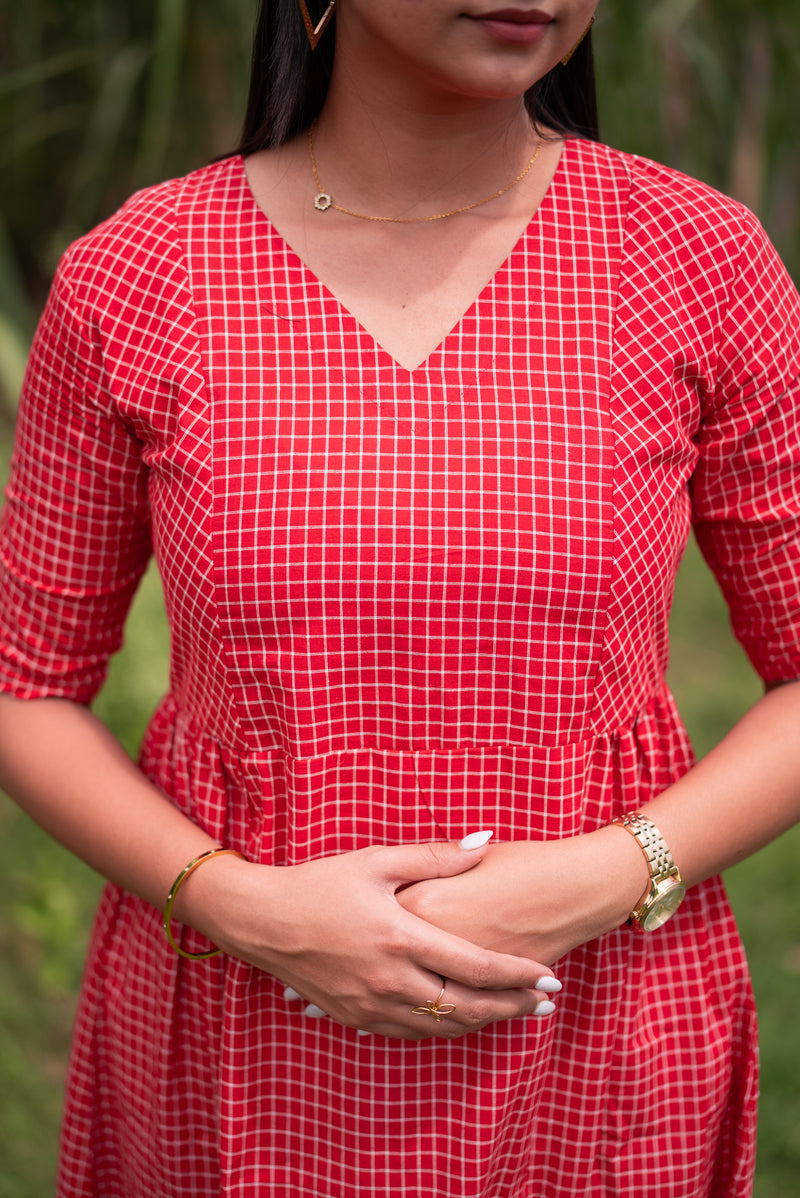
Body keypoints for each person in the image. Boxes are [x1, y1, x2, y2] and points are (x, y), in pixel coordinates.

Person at [1, 0, 799, 1194]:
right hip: (241, 1024)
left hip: (597, 1020)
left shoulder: (693, 256)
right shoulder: (143, 273)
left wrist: (602, 876)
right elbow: (26, 686)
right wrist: (245, 910)